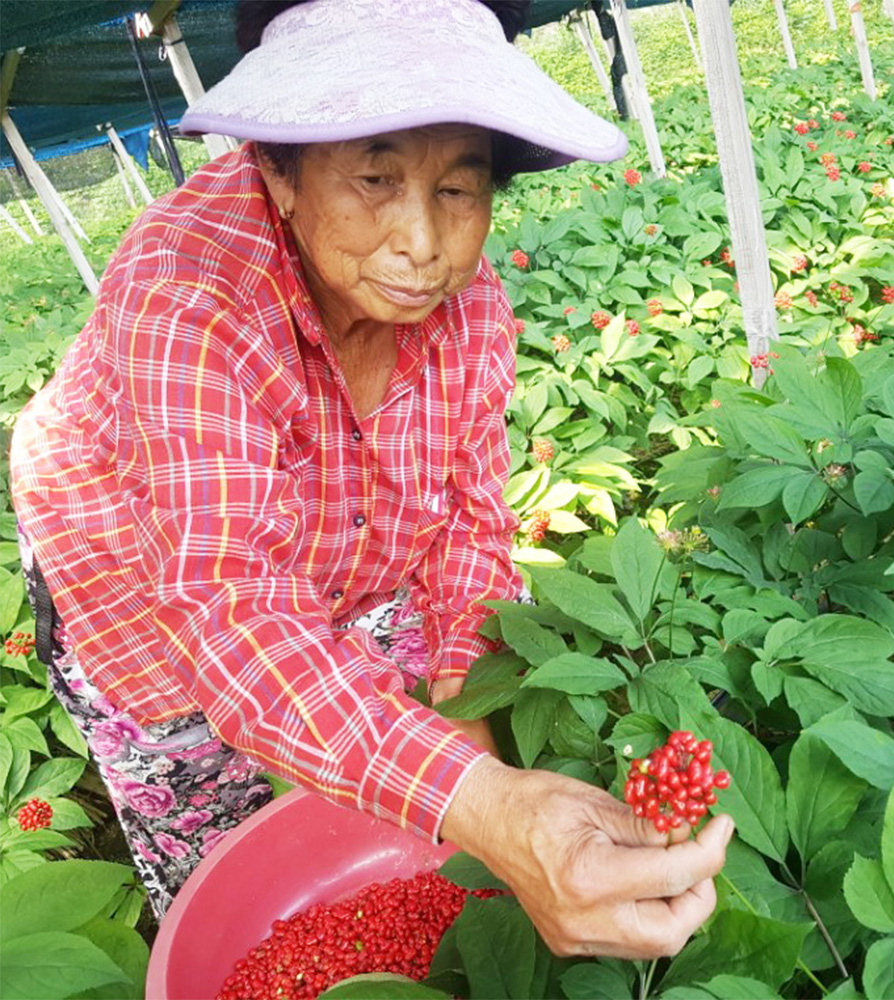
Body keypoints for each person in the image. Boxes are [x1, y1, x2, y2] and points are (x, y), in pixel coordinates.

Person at [10, 0, 732, 958]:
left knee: (408, 760)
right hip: (140, 575)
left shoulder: (469, 309)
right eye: (375, 176)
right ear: (276, 166)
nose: (422, 242)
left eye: (458, 190)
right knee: (215, 830)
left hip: (351, 552)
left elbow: (471, 529)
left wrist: (466, 723)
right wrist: (483, 803)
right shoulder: (187, 289)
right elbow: (231, 602)